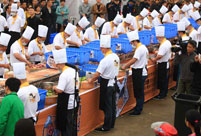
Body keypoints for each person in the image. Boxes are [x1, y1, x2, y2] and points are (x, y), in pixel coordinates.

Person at [88, 35, 120, 131]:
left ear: (103, 48)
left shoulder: (105, 60)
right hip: (114, 81)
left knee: (107, 106)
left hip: (106, 84)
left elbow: (97, 74)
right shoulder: (115, 56)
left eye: (101, 48)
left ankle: (106, 126)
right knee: (112, 105)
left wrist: (90, 80)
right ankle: (111, 124)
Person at [53, 49, 79, 136]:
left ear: (59, 64)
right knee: (72, 123)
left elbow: (60, 90)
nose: (57, 67)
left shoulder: (63, 75)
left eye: (57, 65)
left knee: (66, 124)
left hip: (66, 102)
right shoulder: (74, 70)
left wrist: (54, 87)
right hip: (74, 100)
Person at [121, 30, 149, 115]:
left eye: (131, 43)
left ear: (134, 41)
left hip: (139, 72)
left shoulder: (140, 49)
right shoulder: (143, 47)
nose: (131, 44)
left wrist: (125, 66)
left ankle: (138, 109)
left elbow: (134, 59)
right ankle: (139, 107)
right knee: (139, 91)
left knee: (138, 91)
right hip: (141, 70)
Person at [151, 26, 172, 99]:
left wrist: (154, 59)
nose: (157, 39)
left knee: (162, 79)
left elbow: (160, 56)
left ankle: (161, 94)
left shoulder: (163, 45)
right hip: (166, 62)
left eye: (157, 38)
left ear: (160, 37)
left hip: (162, 64)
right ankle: (164, 93)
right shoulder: (167, 42)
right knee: (165, 79)